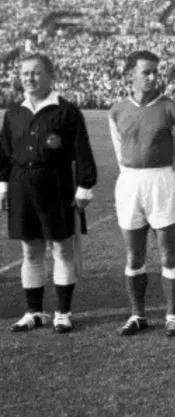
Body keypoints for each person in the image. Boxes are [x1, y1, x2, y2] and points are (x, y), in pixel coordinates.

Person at [1, 54, 97, 334]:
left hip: (55, 185)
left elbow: (82, 152)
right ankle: (34, 312)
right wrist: (3, 185)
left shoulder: (66, 112)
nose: (29, 79)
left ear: (50, 76)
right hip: (21, 186)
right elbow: (4, 152)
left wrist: (84, 186)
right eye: (25, 74)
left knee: (61, 248)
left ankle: (62, 313)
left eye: (35, 73)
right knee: (30, 250)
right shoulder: (14, 113)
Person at [109, 50, 175, 337]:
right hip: (130, 183)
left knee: (168, 254)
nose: (154, 76)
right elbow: (120, 152)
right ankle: (138, 315)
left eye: (156, 71)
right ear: (131, 73)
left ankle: (172, 315)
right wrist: (131, 178)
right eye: (147, 72)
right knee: (134, 256)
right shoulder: (117, 110)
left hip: (162, 181)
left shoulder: (173, 109)